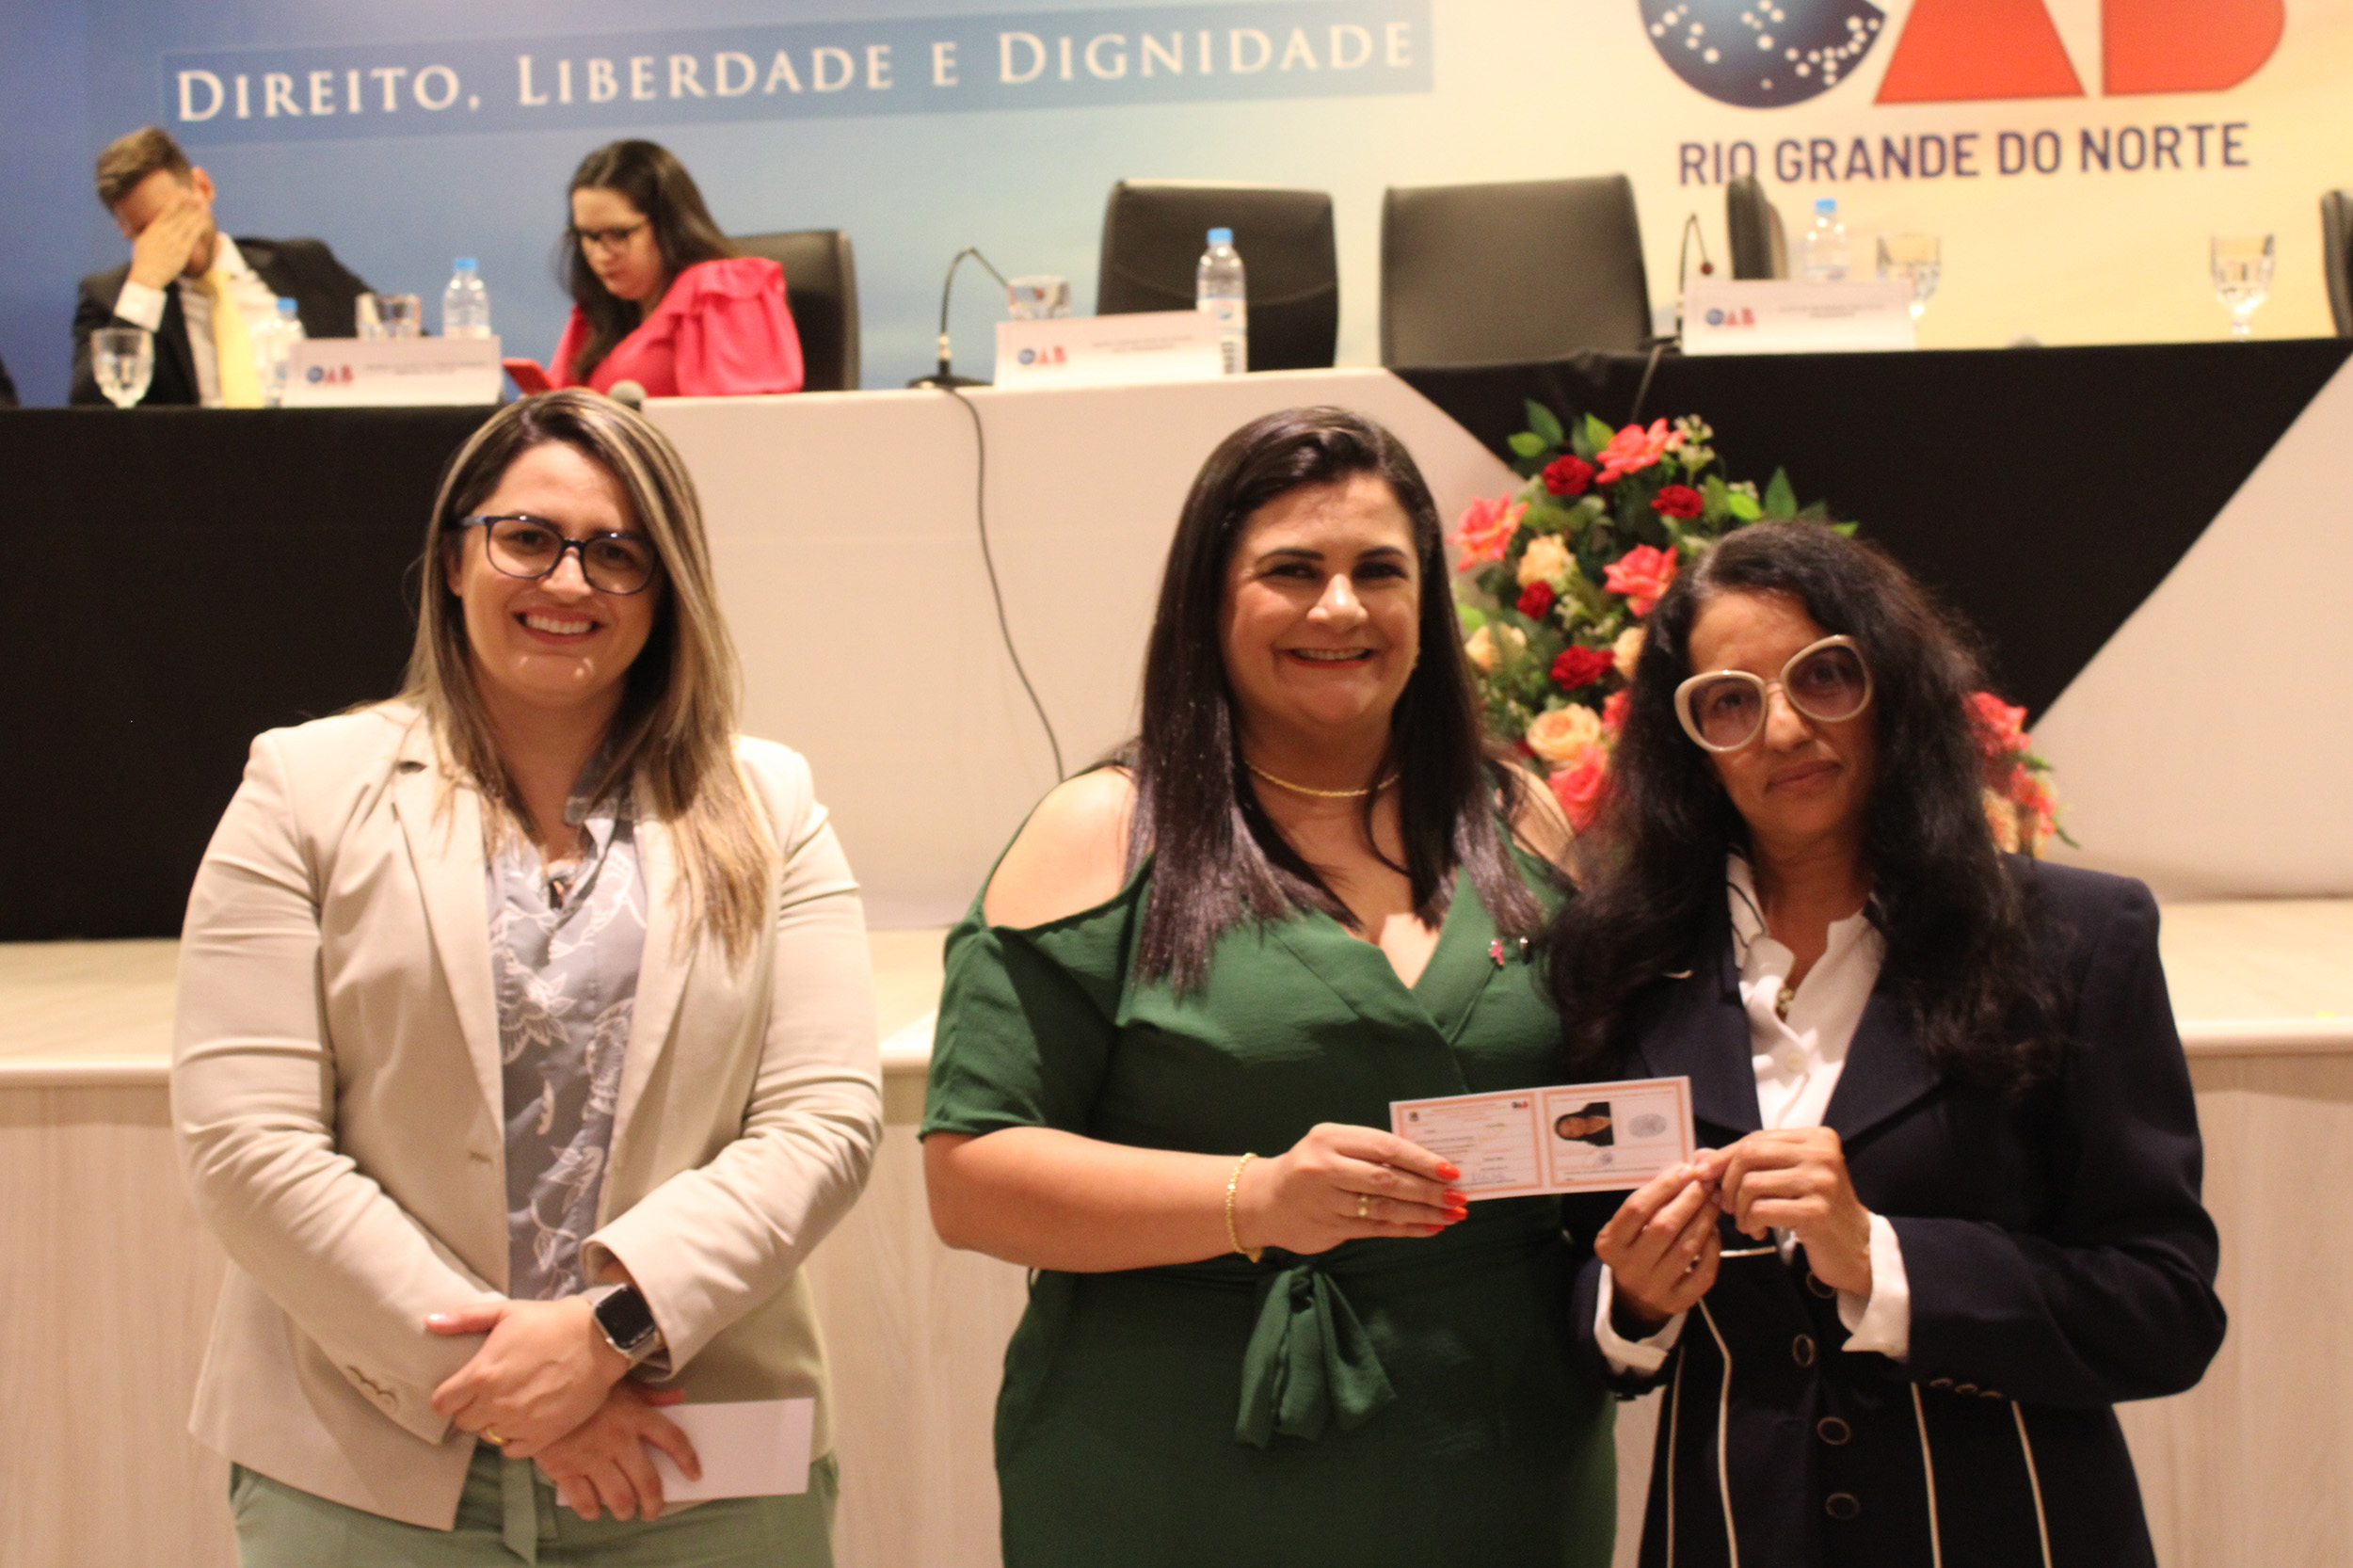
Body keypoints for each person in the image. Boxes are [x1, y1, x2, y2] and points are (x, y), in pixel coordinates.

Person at [171, 389, 881, 1563]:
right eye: (528, 537)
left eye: (618, 553)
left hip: (695, 1460)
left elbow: (825, 1124)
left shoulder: (772, 803)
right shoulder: (301, 788)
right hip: (368, 1465)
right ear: (456, 557)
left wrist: (604, 1336)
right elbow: (249, 1144)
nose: (569, 581)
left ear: (667, 587)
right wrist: (517, 1388)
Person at [921, 407, 1617, 1567]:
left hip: (1507, 1462)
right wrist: (1252, 1198)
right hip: (1174, 1472)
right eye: (1291, 570)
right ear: (1209, 601)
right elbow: (970, 1178)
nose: (1339, 607)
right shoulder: (1101, 831)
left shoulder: (1517, 817)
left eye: (1377, 571)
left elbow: (1608, 1110)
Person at [1551, 520, 2225, 1567]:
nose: (1782, 729)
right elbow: (1569, 1272)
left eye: (1823, 676)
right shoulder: (1617, 958)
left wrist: (1880, 1257)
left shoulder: (2077, 938)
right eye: (1730, 701)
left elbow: (2163, 1310)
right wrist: (1630, 1301)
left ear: (1894, 689)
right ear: (1689, 744)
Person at [72, 126, 372, 408]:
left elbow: (395, 358)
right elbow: (89, 418)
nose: (172, 242)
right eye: (147, 233)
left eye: (173, 218)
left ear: (203, 187)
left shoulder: (306, 264)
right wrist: (145, 285)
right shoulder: (111, 299)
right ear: (125, 230)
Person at [552, 141, 803, 398]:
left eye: (618, 234)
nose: (601, 255)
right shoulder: (599, 309)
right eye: (589, 236)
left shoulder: (720, 291)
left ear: (668, 224)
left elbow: (743, 416)